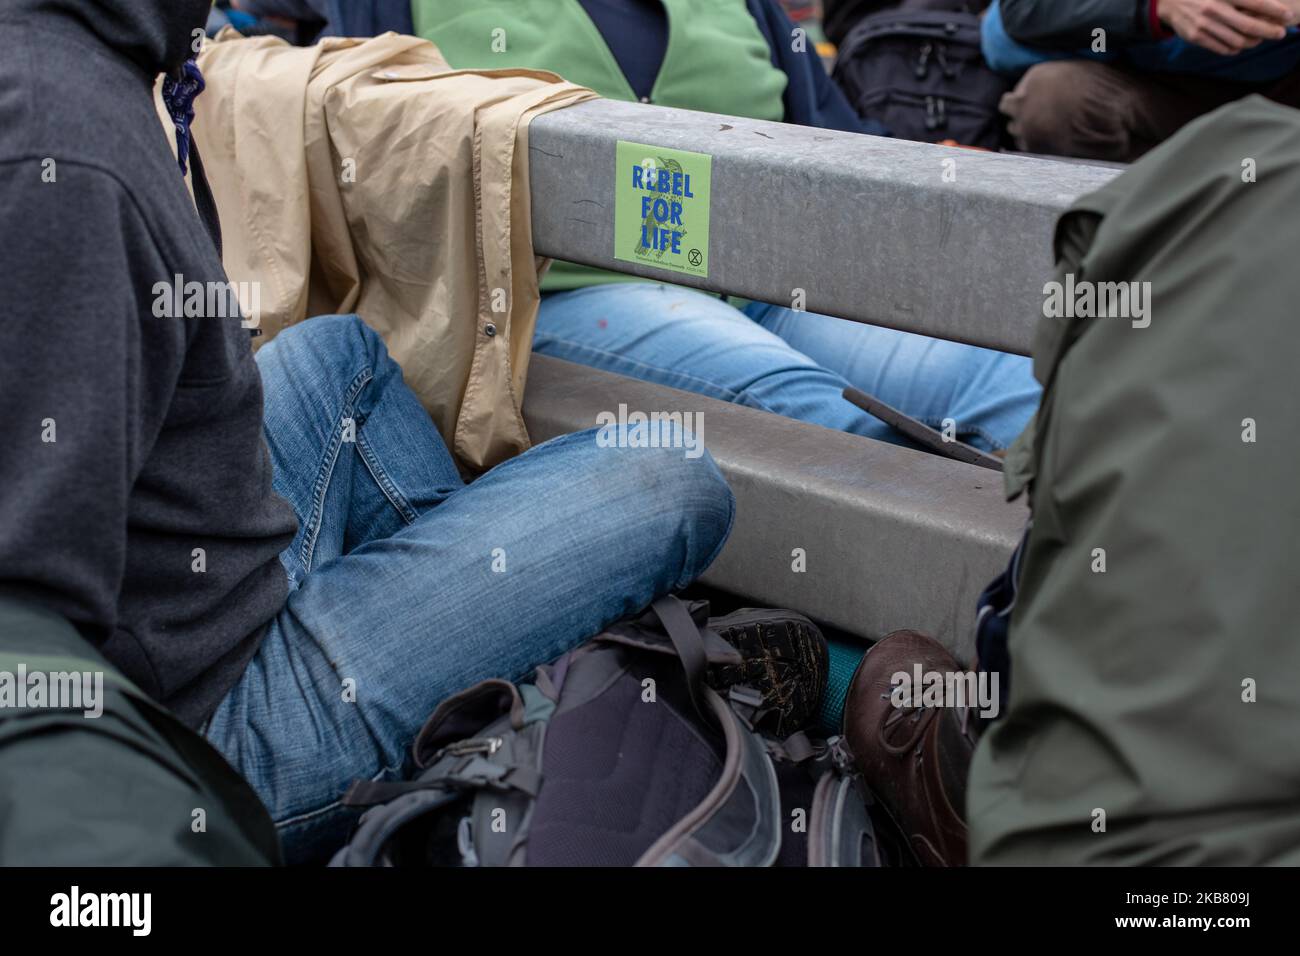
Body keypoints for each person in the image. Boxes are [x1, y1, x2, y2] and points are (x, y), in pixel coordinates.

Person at [0, 0, 734, 862]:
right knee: (672, 471)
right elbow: (27, 626)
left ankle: (471, 684)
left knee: (337, 355)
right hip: (203, 737)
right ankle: (467, 708)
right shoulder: (63, 152)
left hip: (186, 607)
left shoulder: (62, 64)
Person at [235, 0, 1042, 454]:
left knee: (1023, 383)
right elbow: (300, 113)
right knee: (833, 423)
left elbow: (838, 142)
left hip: (778, 289)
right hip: (571, 297)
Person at [984, 0, 1300, 161]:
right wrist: (1152, 9)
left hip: (1278, 103)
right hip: (1144, 95)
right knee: (1052, 98)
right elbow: (1007, 31)